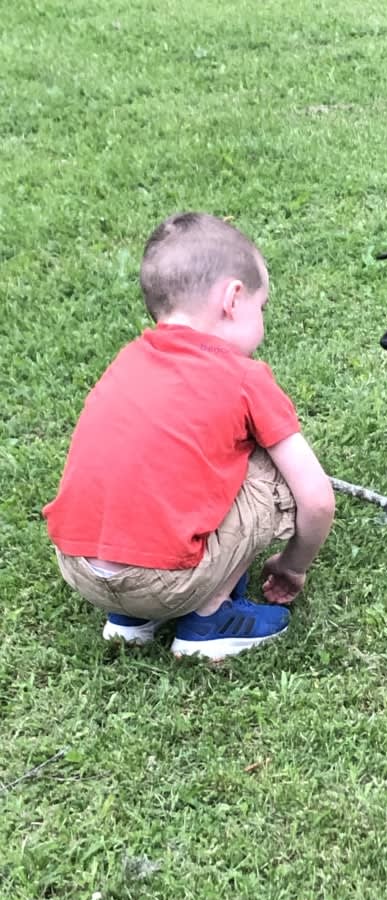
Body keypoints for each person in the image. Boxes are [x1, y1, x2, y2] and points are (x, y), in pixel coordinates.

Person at [43, 212, 335, 660]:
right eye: (263, 306)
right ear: (233, 299)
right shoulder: (245, 377)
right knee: (271, 466)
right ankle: (209, 620)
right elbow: (316, 498)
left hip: (80, 570)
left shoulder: (126, 361)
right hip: (166, 582)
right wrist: (293, 566)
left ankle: (132, 619)